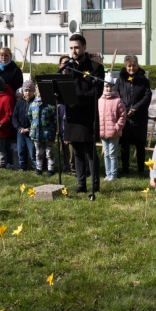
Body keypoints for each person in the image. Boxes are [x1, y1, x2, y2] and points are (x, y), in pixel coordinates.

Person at [63, 34, 105, 193]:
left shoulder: (96, 68)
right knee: (77, 152)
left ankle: (95, 185)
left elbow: (97, 91)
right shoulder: (68, 67)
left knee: (90, 151)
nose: (73, 51)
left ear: (84, 47)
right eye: (71, 48)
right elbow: (65, 89)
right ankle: (81, 184)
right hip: (73, 115)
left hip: (87, 115)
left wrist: (77, 98)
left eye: (76, 47)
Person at [116, 55, 152, 175]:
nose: (132, 68)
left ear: (137, 65)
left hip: (139, 118)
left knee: (140, 145)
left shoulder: (144, 80)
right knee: (124, 145)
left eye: (134, 65)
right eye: (129, 66)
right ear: (126, 66)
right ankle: (125, 169)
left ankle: (140, 169)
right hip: (124, 117)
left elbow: (147, 96)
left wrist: (135, 109)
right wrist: (125, 109)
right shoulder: (120, 80)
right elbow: (117, 96)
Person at [98, 78, 126, 181]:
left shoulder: (117, 100)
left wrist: (117, 127)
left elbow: (123, 115)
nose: (108, 88)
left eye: (110, 86)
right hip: (103, 132)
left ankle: (113, 174)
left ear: (113, 86)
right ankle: (108, 173)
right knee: (106, 153)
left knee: (112, 153)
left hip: (114, 132)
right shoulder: (99, 100)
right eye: (106, 86)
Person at [29, 86, 57, 177]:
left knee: (49, 152)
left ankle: (50, 169)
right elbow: (30, 117)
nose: (39, 93)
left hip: (48, 133)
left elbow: (54, 119)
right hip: (37, 133)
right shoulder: (33, 104)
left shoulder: (50, 105)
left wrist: (52, 131)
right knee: (38, 152)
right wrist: (34, 126)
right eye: (38, 91)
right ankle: (39, 168)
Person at [12, 80, 36, 171]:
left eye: (30, 91)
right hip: (21, 131)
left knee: (33, 150)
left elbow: (37, 119)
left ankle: (35, 166)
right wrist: (19, 127)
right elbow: (14, 117)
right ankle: (22, 166)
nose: (27, 93)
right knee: (21, 150)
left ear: (33, 91)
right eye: (26, 91)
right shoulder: (19, 102)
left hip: (32, 131)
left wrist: (29, 129)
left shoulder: (35, 103)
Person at [57, 55, 74, 174]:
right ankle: (66, 164)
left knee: (71, 140)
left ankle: (73, 166)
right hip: (60, 111)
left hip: (71, 111)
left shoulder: (73, 77)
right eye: (64, 63)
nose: (66, 65)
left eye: (69, 63)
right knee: (63, 139)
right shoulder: (57, 78)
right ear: (60, 65)